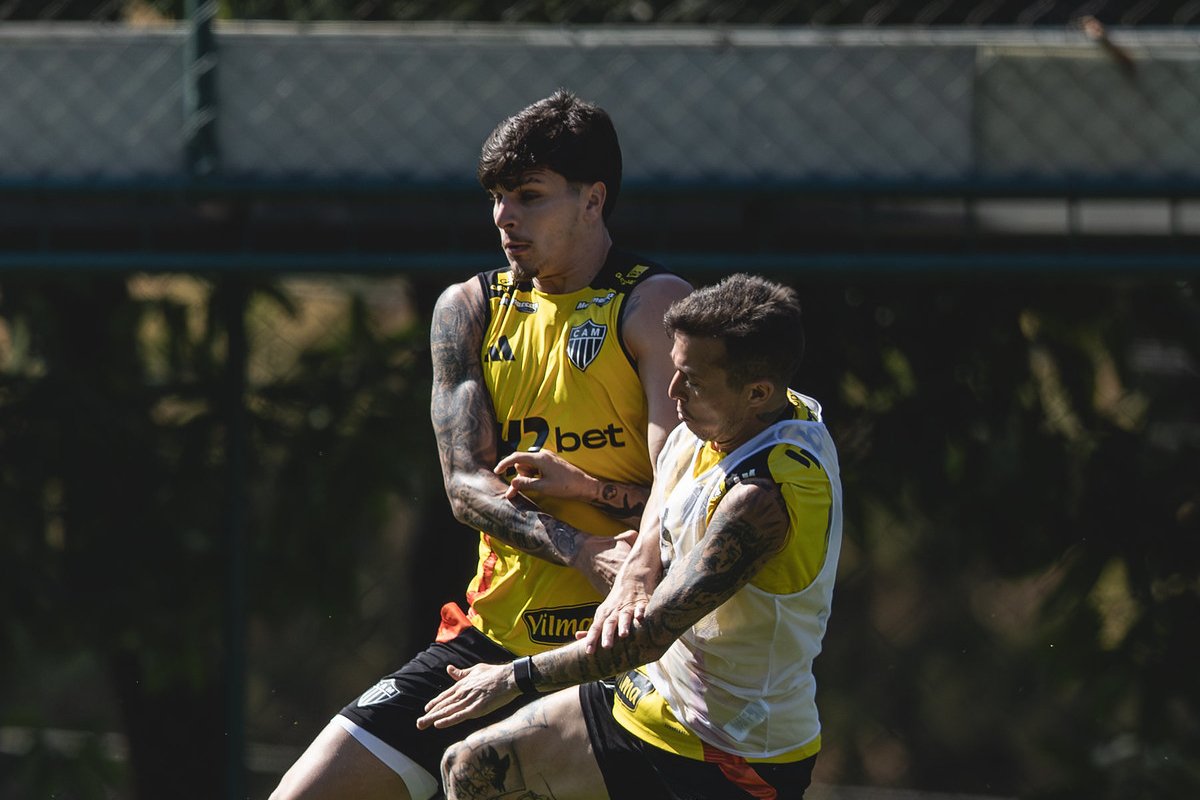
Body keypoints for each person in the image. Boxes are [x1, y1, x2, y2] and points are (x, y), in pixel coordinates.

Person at [270, 90, 691, 800]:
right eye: (497, 197)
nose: (504, 218)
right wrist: (579, 544)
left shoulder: (652, 305)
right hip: (489, 640)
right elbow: (465, 484)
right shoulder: (469, 308)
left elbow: (687, 487)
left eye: (529, 196)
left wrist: (595, 499)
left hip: (619, 653)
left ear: (594, 200)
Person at [416, 274, 843, 800]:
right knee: (473, 766)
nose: (672, 392)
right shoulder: (740, 414)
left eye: (693, 381)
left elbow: (645, 638)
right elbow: (675, 495)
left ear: (757, 392)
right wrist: (588, 489)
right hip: (650, 700)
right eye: (676, 368)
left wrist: (509, 678)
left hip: (735, 753)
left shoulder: (761, 500)